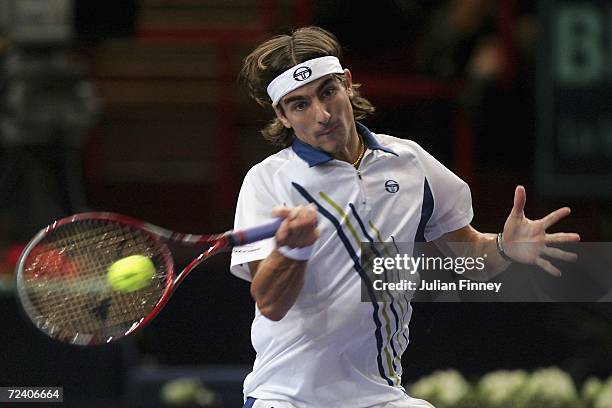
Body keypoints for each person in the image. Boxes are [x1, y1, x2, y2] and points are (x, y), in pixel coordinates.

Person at [230, 26, 579, 408]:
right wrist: (292, 252)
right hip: (287, 397)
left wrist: (504, 248)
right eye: (300, 105)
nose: (323, 114)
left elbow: (471, 259)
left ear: (347, 83)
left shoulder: (411, 163)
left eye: (327, 92)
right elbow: (270, 304)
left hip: (379, 395)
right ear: (282, 114)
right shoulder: (268, 181)